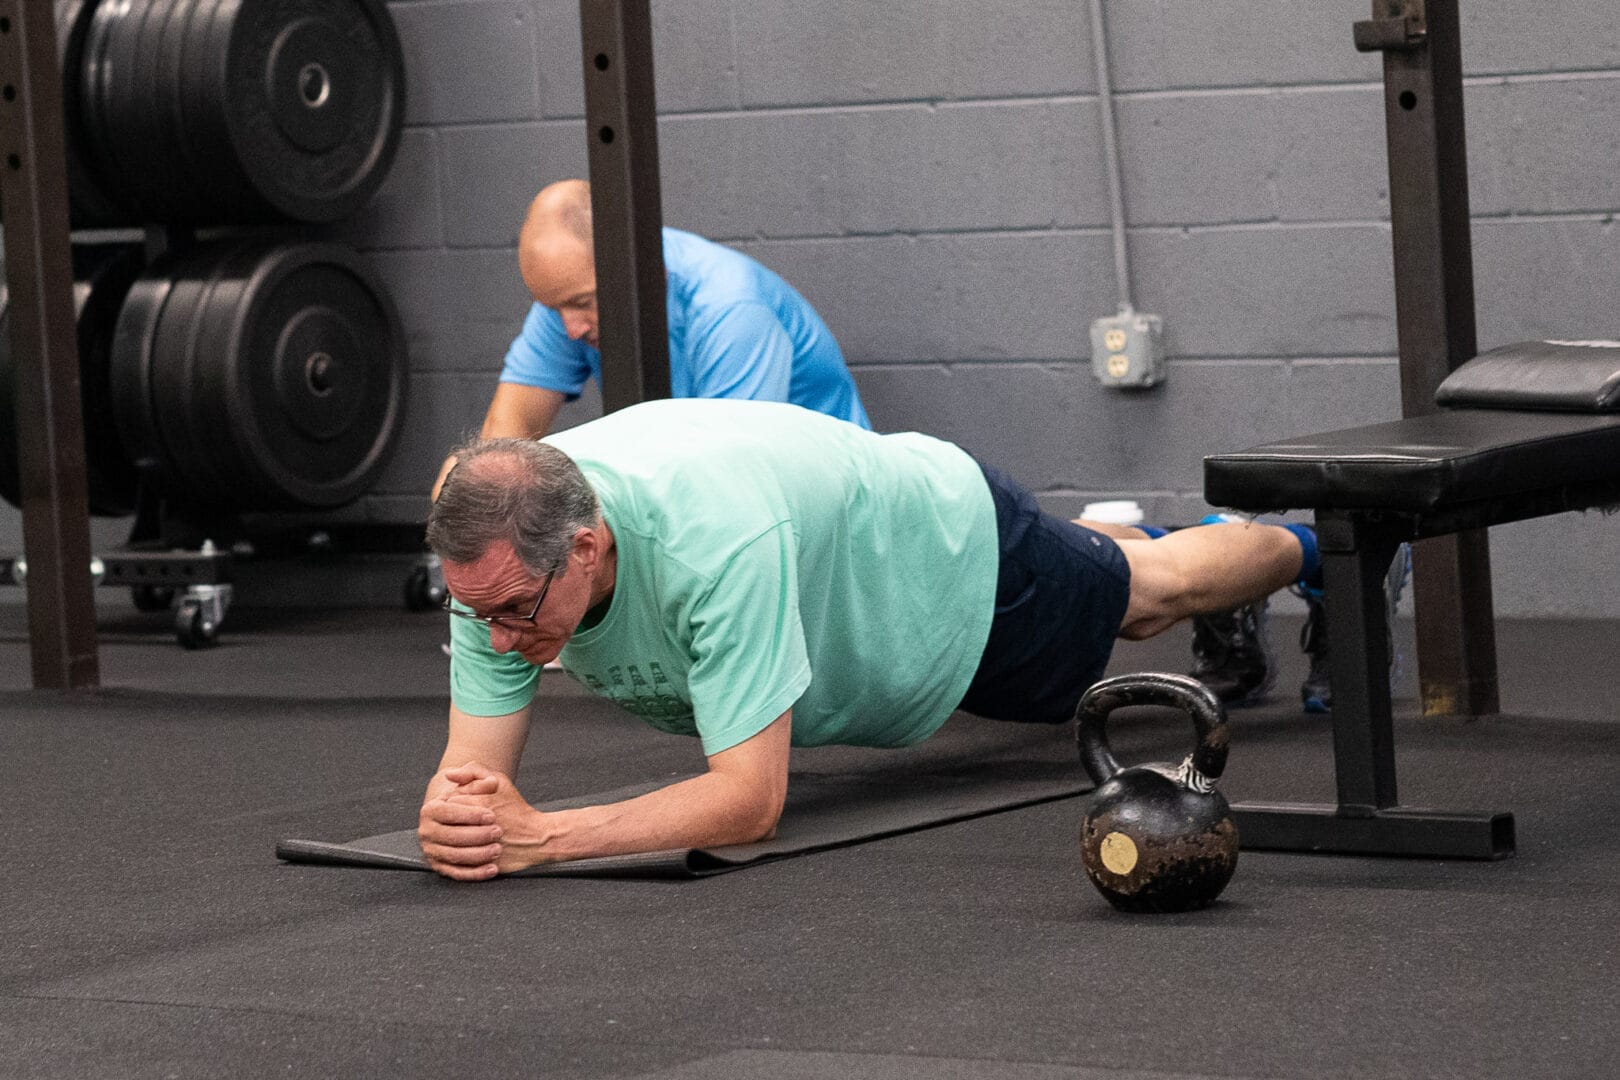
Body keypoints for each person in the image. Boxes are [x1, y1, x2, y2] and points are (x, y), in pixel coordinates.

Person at [415, 399, 1325, 880]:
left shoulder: (714, 543)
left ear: (587, 545)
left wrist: (549, 840)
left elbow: (748, 805)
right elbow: (474, 782)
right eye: (475, 614)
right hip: (842, 536)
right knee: (1105, 571)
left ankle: (1329, 548)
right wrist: (458, 816)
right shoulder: (495, 555)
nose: (495, 643)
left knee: (1147, 597)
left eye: (514, 615)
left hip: (942, 554)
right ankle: (1111, 551)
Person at [482, 178, 867, 440]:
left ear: (636, 266)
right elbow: (509, 429)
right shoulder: (571, 294)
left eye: (582, 304)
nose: (570, 328)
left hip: (830, 518)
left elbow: (731, 474)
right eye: (555, 308)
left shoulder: (730, 309)